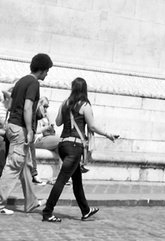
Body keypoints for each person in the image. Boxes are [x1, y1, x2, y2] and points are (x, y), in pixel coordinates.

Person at [42, 76, 118, 223]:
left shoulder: (65, 103)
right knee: (61, 180)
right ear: (84, 89)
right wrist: (108, 134)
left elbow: (58, 123)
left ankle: (85, 210)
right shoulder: (85, 105)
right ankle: (47, 212)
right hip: (75, 146)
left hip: (63, 144)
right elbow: (93, 126)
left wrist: (65, 113)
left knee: (77, 180)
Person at [0, 52, 53, 215]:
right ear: (42, 69)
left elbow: (11, 104)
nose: (47, 74)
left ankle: (30, 202)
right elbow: (28, 107)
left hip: (12, 126)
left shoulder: (22, 80)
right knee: (14, 166)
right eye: (47, 71)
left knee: (23, 166)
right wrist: (30, 130)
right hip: (20, 128)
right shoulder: (33, 83)